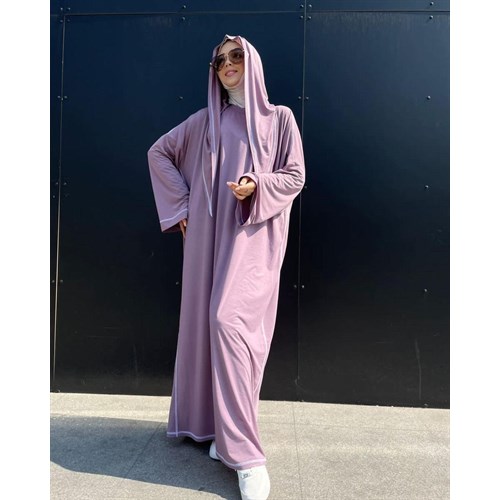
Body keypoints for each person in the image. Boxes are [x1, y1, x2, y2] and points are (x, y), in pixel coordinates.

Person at [147, 34, 305, 500]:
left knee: (231, 325)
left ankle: (245, 453)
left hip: (254, 239)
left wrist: (256, 184)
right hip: (207, 242)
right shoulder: (204, 122)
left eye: (237, 56)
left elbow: (294, 175)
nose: (228, 64)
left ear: (252, 62)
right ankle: (225, 435)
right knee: (210, 327)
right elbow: (158, 153)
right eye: (220, 60)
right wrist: (181, 207)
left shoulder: (280, 119)